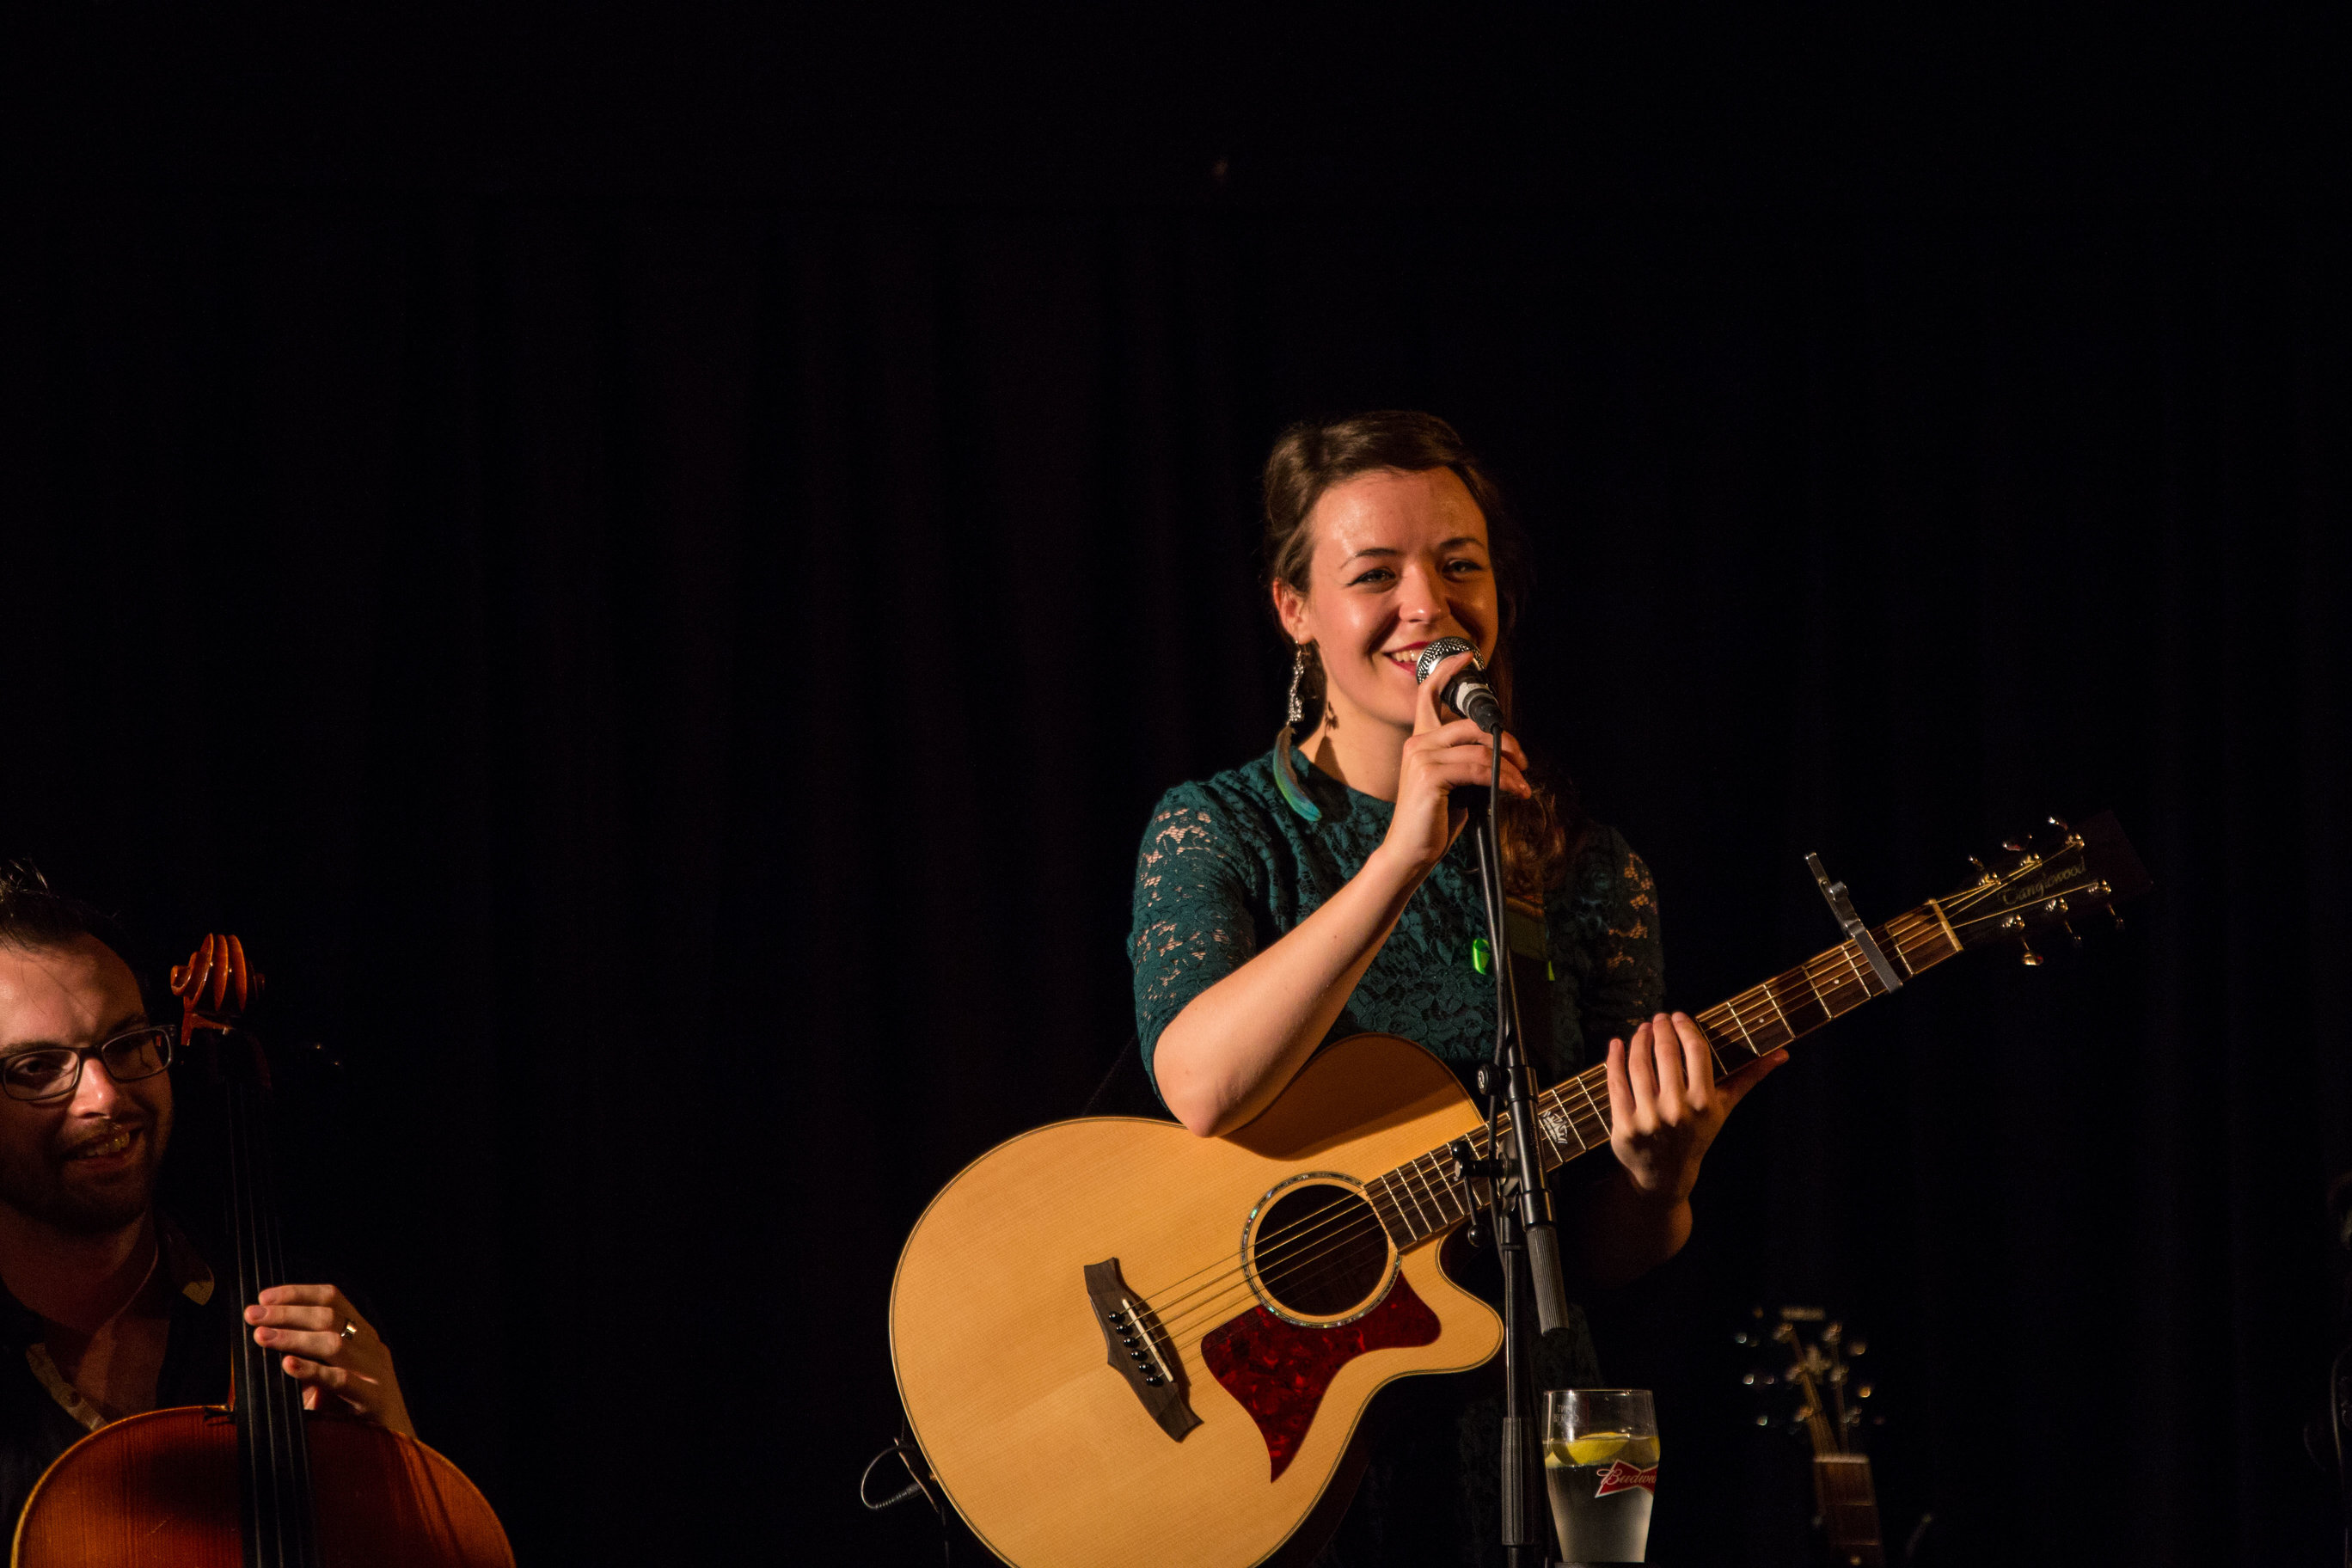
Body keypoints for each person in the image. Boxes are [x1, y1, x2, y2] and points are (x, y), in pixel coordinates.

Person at [1127, 411, 1787, 1563]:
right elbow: (1200, 1084)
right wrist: (1403, 853)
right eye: (1374, 574)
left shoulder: (1589, 872)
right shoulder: (1221, 829)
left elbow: (1599, 1254)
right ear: (1295, 610)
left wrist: (1661, 1176)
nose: (1426, 604)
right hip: (1291, 1434)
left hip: (1525, 1432)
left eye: (1459, 565)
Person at [0, 861, 413, 1531]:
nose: (106, 1096)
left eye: (127, 1044)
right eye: (36, 1068)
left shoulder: (306, 1325)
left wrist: (400, 1466)